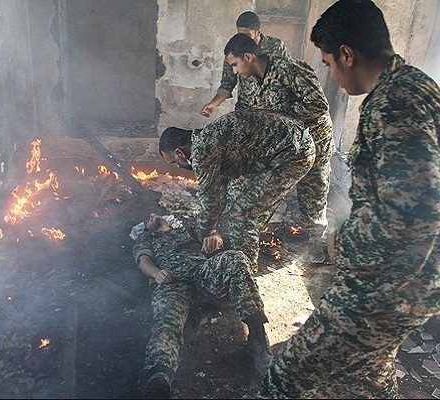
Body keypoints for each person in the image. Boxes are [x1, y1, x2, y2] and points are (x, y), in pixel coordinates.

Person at [261, 1, 440, 398]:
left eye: (329, 63)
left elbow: (417, 211)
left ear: (347, 55)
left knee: (285, 379)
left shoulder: (395, 104)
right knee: (371, 373)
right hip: (415, 278)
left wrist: (345, 240)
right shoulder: (413, 85)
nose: (331, 75)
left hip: (390, 285)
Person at [133, 213, 273, 398]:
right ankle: (160, 375)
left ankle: (258, 339)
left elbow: (211, 236)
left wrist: (216, 239)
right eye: (146, 220)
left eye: (153, 214)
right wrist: (156, 273)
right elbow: (143, 261)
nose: (150, 217)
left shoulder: (186, 228)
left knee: (235, 258)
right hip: (171, 282)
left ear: (164, 218)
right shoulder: (146, 237)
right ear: (145, 228)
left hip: (202, 274)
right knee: (167, 318)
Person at [223, 32, 335, 263]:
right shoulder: (250, 81)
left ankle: (315, 244)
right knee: (251, 184)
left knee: (313, 198)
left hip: (315, 144)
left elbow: (318, 105)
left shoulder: (291, 70)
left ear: (248, 56)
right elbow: (244, 111)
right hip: (284, 149)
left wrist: (278, 117)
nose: (234, 71)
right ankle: (246, 236)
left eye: (235, 64)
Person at [159, 109, 316, 271]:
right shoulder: (205, 138)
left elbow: (210, 199)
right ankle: (242, 240)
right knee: (236, 194)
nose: (177, 166)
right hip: (280, 149)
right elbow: (221, 187)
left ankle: (244, 267)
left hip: (294, 154)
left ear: (180, 152)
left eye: (174, 162)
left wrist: (206, 232)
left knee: (244, 212)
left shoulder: (201, 151)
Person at [200, 11, 289, 117]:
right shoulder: (234, 50)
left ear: (258, 32)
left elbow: (286, 78)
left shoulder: (276, 47)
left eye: (248, 35)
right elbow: (227, 83)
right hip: (245, 110)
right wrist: (213, 104)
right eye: (240, 35)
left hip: (272, 113)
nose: (244, 39)